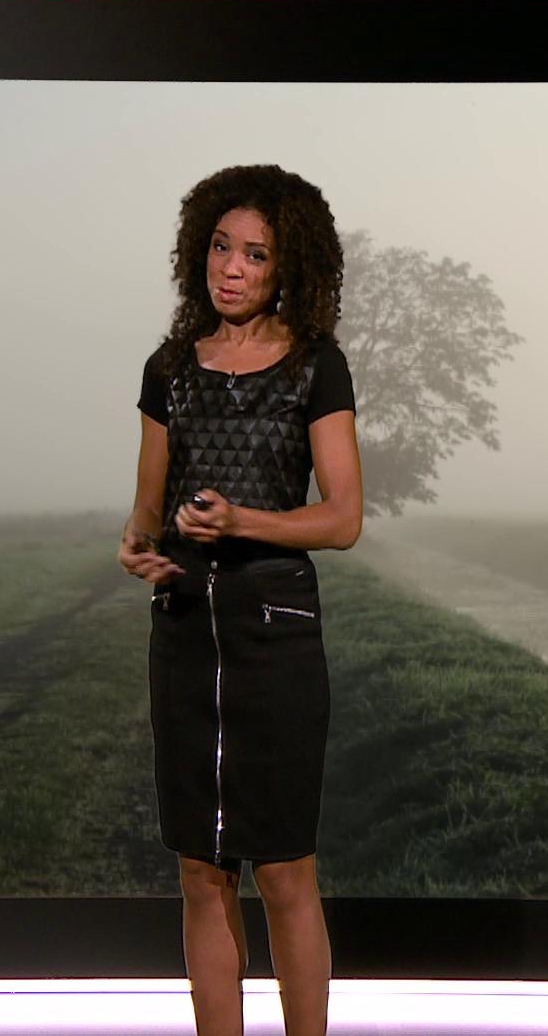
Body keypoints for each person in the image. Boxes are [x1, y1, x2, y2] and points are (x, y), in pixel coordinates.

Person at [119, 164, 361, 1036]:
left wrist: (242, 522)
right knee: (200, 872)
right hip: (185, 634)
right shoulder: (169, 371)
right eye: (221, 247)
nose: (231, 267)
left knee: (285, 870)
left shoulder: (315, 367)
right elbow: (147, 506)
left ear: (287, 265)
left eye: (254, 254)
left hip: (276, 635)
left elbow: (343, 518)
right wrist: (141, 546)